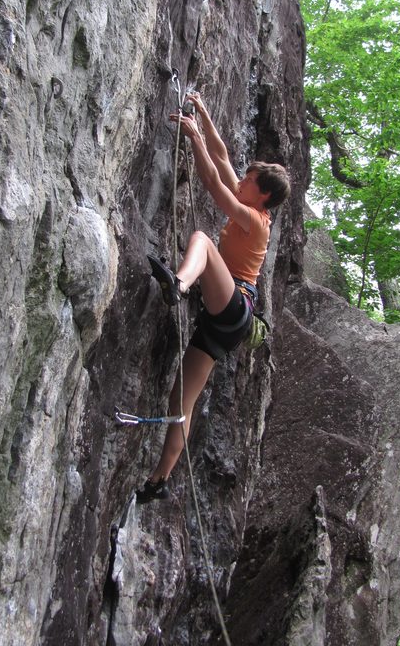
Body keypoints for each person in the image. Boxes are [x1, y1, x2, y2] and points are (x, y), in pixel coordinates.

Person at [136, 92, 291, 503]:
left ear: (263, 198)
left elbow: (212, 182)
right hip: (225, 323)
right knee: (180, 399)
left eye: (249, 182)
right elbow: (222, 159)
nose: (242, 181)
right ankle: (160, 480)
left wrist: (192, 137)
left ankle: (180, 285)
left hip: (234, 304)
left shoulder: (255, 221)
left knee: (202, 241)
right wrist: (203, 111)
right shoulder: (251, 203)